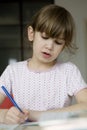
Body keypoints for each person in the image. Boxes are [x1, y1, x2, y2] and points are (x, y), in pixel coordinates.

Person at [0, 4, 87, 124]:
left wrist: (38, 115)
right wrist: (4, 115)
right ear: (31, 34)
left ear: (64, 46)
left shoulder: (69, 71)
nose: (49, 46)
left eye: (58, 42)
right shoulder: (13, 71)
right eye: (45, 37)